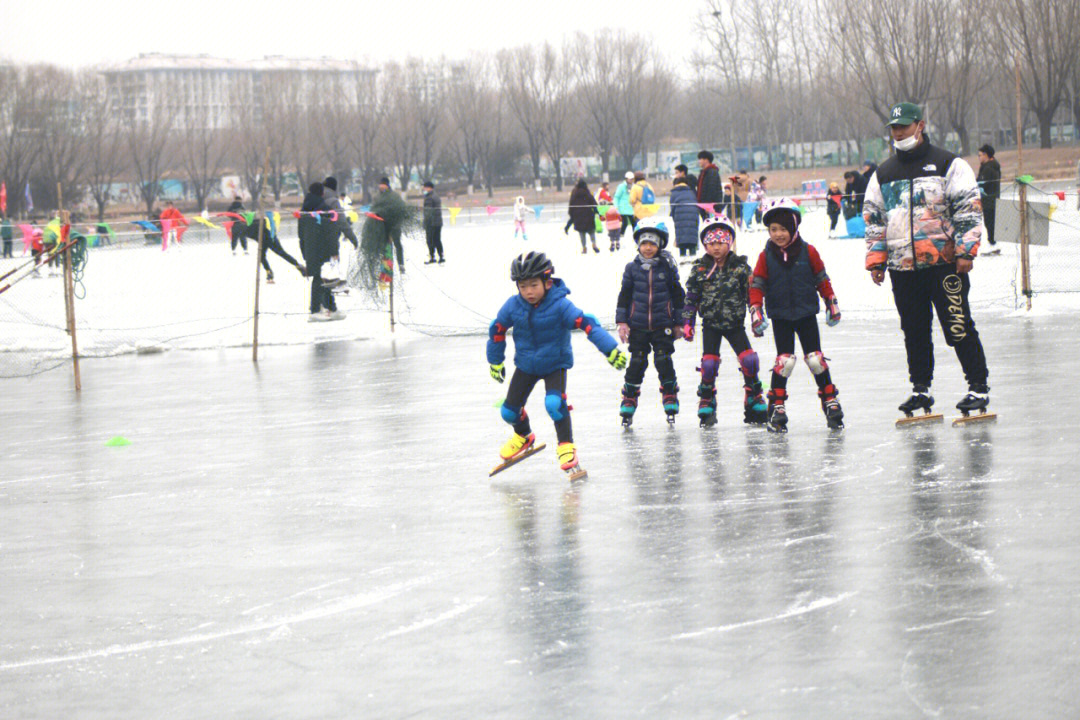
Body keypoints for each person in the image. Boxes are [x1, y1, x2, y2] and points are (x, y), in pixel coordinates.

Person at [864, 101, 990, 418]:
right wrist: (877, 259)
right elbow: (874, 219)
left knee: (957, 325)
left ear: (920, 126)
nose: (898, 133)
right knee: (915, 330)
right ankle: (921, 389)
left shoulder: (949, 164)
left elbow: (969, 209)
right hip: (903, 267)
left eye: (903, 127)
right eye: (894, 128)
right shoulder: (884, 173)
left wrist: (965, 251)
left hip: (945, 264)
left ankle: (977, 386)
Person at [487, 251, 629, 477]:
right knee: (508, 412)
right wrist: (495, 361)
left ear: (547, 281)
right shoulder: (514, 305)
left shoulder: (560, 305)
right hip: (526, 365)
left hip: (555, 364)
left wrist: (609, 349)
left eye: (534, 285)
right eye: (523, 286)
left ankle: (566, 445)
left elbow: (587, 323)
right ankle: (524, 436)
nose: (528, 292)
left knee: (554, 404)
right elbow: (497, 329)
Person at [749, 199, 844, 431]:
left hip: (805, 314)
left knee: (815, 359)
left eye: (783, 229)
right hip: (780, 315)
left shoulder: (808, 250)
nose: (778, 234)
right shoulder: (765, 256)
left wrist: (831, 302)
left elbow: (822, 278)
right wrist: (756, 310)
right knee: (785, 361)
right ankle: (777, 406)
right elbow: (757, 284)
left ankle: (829, 400)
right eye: (773, 229)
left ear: (793, 228)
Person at [682, 213, 767, 426]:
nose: (716, 248)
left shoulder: (740, 268)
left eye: (721, 242)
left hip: (734, 324)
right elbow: (691, 298)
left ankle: (753, 393)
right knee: (709, 364)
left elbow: (752, 294)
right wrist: (688, 322)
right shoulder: (699, 269)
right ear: (704, 245)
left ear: (729, 243)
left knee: (749, 360)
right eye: (711, 243)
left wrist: (756, 317)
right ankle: (707, 397)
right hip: (711, 324)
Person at [615, 217, 685, 425]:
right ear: (638, 245)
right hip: (637, 325)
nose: (647, 248)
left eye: (652, 243)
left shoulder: (667, 268)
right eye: (644, 243)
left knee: (663, 360)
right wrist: (622, 322)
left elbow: (678, 295)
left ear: (660, 245)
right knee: (637, 361)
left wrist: (679, 322)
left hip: (663, 324)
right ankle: (629, 396)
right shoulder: (632, 268)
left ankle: (669, 393)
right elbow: (624, 296)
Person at [298, 181, 342, 321]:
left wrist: (305, 252)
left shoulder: (303, 211)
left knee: (324, 278)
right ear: (322, 193)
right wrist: (334, 251)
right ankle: (315, 310)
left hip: (310, 249)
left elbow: (301, 235)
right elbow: (331, 232)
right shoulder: (324, 208)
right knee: (319, 279)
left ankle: (332, 308)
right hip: (322, 248)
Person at [367, 177, 405, 272]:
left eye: (383, 184)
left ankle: (401, 263)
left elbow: (400, 210)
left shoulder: (394, 196)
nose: (381, 186)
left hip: (394, 225)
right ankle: (386, 267)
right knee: (385, 247)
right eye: (380, 184)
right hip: (382, 226)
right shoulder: (377, 197)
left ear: (387, 185)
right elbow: (374, 209)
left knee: (397, 244)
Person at [976, 145, 1001, 253]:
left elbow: (982, 184)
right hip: (993, 199)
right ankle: (993, 243)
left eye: (980, 155)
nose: (979, 158)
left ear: (986, 155)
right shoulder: (993, 166)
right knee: (991, 223)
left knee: (989, 222)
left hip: (989, 200)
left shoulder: (988, 168)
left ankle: (993, 244)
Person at [565, 179, 599, 254]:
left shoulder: (574, 194)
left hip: (578, 216)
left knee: (582, 233)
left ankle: (584, 248)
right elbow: (594, 203)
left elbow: (571, 205)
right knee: (591, 231)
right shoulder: (587, 193)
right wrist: (597, 212)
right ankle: (594, 244)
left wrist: (571, 214)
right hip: (588, 215)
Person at [669, 176, 700, 257]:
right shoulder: (691, 191)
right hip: (693, 217)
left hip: (679, 217)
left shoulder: (674, 193)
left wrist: (674, 218)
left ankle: (682, 256)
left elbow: (672, 208)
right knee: (692, 237)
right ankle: (693, 255)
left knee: (682, 237)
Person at [422, 180, 444, 264]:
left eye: (424, 187)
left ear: (429, 188)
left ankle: (432, 257)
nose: (423, 189)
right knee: (437, 239)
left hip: (431, 222)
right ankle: (441, 256)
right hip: (438, 222)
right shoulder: (436, 196)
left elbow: (428, 211)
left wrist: (425, 222)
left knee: (430, 240)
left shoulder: (429, 197)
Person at [696, 150, 722, 218]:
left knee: (712, 226)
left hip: (711, 207)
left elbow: (712, 190)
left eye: (700, 159)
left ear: (706, 160)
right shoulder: (703, 173)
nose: (699, 161)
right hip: (703, 206)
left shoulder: (712, 172)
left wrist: (709, 206)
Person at [614, 171, 636, 236]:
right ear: (626, 179)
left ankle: (635, 235)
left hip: (630, 208)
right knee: (625, 223)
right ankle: (621, 235)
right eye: (630, 179)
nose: (631, 180)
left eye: (632, 179)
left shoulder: (634, 186)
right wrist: (616, 207)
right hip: (622, 208)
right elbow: (616, 197)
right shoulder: (621, 186)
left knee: (634, 223)